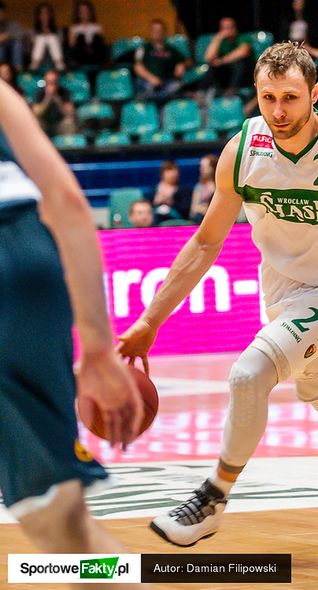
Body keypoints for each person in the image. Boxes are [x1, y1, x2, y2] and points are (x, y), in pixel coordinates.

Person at [117, 42, 318, 547]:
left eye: (290, 97)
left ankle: (212, 498)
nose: (279, 111)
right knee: (316, 386)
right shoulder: (242, 151)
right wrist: (149, 321)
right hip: (283, 288)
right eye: (268, 98)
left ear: (314, 93)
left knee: (249, 375)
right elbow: (205, 243)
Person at [0, 79, 144, 585]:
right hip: (28, 262)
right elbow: (67, 201)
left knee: (55, 519)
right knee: (58, 518)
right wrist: (99, 349)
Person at [134, 19, 186, 101]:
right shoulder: (143, 48)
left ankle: (151, 98)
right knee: (143, 85)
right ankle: (161, 98)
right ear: (150, 31)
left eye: (159, 30)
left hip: (167, 82)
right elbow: (138, 67)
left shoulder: (171, 49)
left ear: (164, 32)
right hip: (148, 81)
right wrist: (151, 78)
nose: (157, 32)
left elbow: (187, 61)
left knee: (177, 85)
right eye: (154, 30)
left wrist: (182, 65)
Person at [202, 17, 253, 95]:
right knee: (212, 66)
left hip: (243, 75)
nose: (229, 30)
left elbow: (243, 52)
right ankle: (202, 91)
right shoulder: (220, 41)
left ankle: (232, 91)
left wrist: (221, 61)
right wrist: (217, 39)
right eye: (225, 28)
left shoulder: (242, 37)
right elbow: (208, 58)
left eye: (231, 27)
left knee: (241, 63)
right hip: (226, 74)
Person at [31, 69, 76, 136]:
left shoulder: (64, 92)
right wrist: (47, 99)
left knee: (69, 121)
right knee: (36, 122)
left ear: (58, 82)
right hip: (45, 122)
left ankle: (66, 142)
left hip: (60, 123)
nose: (52, 85)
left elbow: (70, 113)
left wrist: (59, 102)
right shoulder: (39, 92)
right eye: (49, 82)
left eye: (54, 82)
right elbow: (36, 113)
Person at [66, 0, 107, 69]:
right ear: (78, 13)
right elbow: (71, 45)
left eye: (86, 10)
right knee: (80, 37)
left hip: (95, 54)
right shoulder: (74, 28)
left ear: (90, 12)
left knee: (96, 37)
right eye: (82, 11)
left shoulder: (97, 27)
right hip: (81, 55)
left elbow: (103, 44)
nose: (84, 13)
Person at [29, 2, 66, 72]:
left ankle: (59, 65)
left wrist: (49, 34)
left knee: (52, 38)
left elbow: (61, 43)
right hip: (39, 60)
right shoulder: (32, 31)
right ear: (38, 16)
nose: (44, 16)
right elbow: (31, 44)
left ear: (50, 15)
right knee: (41, 38)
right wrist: (43, 36)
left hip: (54, 59)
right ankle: (34, 65)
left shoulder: (58, 30)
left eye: (47, 13)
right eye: (42, 14)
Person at [189, 154, 217, 223]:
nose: (201, 169)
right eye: (201, 167)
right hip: (200, 220)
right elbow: (193, 211)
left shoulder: (220, 186)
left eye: (205, 167)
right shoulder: (199, 187)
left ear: (213, 168)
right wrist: (203, 209)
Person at [0, 2, 24, 71]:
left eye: (1, 13)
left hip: (12, 50)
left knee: (18, 43)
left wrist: (8, 36)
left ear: (4, 13)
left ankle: (18, 69)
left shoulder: (13, 24)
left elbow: (21, 34)